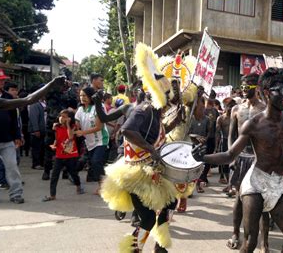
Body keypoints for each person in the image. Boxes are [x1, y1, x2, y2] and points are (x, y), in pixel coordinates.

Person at [193, 68, 283, 253]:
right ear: (266, 93)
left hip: (277, 186)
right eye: (281, 91)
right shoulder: (254, 124)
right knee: (249, 243)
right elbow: (230, 154)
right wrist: (203, 157)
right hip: (255, 183)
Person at [99, 43, 191, 252]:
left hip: (150, 170)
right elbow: (127, 131)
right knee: (148, 218)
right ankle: (133, 249)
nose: (171, 102)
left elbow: (158, 132)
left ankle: (160, 245)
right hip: (138, 173)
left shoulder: (155, 112)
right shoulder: (145, 109)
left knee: (168, 203)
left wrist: (176, 121)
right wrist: (151, 149)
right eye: (170, 98)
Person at [225, 73, 267, 250]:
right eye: (242, 85)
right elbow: (231, 135)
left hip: (259, 159)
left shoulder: (265, 109)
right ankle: (235, 233)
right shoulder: (236, 109)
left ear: (256, 87)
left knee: (264, 203)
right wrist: (231, 156)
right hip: (241, 158)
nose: (243, 89)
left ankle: (265, 243)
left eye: (248, 85)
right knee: (239, 200)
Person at [0, 69, 24, 204]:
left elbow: (14, 118)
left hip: (7, 139)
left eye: (3, 79)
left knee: (12, 167)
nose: (3, 81)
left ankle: (16, 194)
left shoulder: (8, 97)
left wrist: (17, 135)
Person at [42, 109, 84, 201]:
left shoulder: (73, 126)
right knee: (54, 175)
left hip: (71, 155)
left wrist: (68, 124)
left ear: (69, 118)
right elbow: (57, 138)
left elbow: (70, 137)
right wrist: (54, 144)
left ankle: (78, 185)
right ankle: (52, 195)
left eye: (64, 116)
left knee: (73, 173)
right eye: (61, 116)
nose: (61, 118)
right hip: (59, 155)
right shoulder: (57, 127)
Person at [75, 87, 109, 194]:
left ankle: (103, 186)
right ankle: (105, 184)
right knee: (94, 164)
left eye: (84, 95)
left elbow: (99, 127)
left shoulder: (98, 107)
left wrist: (82, 132)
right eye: (81, 95)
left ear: (90, 96)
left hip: (101, 140)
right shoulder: (80, 110)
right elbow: (77, 125)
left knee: (96, 161)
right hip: (89, 142)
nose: (82, 98)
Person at [0, 69, 65, 112]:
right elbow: (27, 100)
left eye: (3, 79)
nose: (2, 81)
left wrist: (50, 84)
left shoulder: (4, 98)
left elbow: (27, 100)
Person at [216, 98, 236, 189]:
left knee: (234, 163)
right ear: (225, 107)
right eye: (229, 106)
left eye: (232, 106)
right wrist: (216, 147)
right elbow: (217, 133)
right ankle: (229, 183)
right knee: (225, 163)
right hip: (224, 142)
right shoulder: (221, 118)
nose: (231, 108)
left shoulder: (236, 118)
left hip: (235, 142)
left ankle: (231, 184)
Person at [28, 97, 46, 170]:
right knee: (36, 148)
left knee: (42, 148)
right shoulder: (34, 104)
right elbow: (34, 118)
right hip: (37, 130)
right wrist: (36, 129)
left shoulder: (44, 103)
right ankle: (36, 164)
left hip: (43, 130)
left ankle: (41, 163)